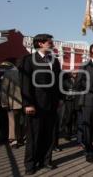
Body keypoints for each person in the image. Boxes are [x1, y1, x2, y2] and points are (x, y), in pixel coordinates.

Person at [19, 34, 62, 175]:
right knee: (34, 135)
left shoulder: (54, 61)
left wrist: (60, 99)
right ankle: (30, 164)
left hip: (52, 105)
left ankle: (46, 160)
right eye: (50, 41)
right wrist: (28, 104)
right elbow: (25, 84)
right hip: (36, 105)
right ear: (40, 43)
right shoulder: (29, 60)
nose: (52, 43)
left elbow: (58, 82)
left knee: (49, 135)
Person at [0, 61, 24, 148]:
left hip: (24, 103)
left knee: (20, 122)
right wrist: (4, 103)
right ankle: (14, 140)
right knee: (13, 122)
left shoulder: (27, 74)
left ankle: (19, 138)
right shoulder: (9, 73)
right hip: (13, 102)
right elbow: (4, 89)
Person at [63, 71, 78, 140]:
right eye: (73, 73)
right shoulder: (66, 80)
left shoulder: (78, 80)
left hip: (76, 101)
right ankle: (67, 134)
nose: (75, 74)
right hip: (69, 101)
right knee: (68, 118)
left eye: (75, 73)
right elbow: (66, 88)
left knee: (76, 118)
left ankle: (75, 133)